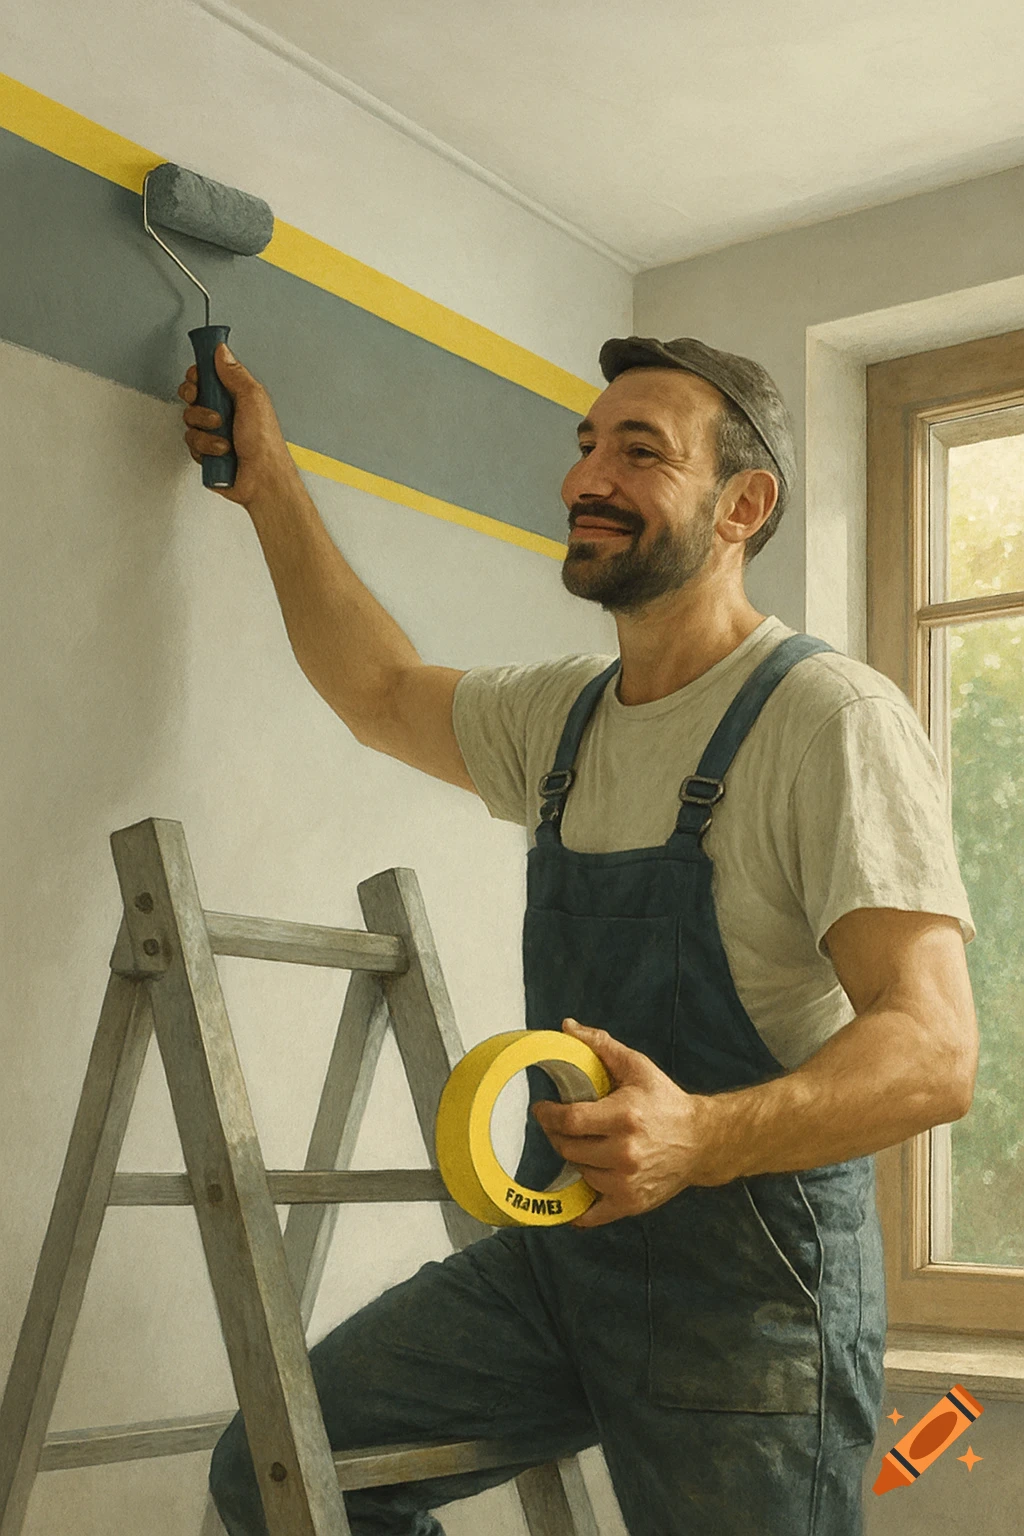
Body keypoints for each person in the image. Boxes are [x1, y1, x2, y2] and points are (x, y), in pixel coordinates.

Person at [182, 334, 978, 1536]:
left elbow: (932, 1050)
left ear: (742, 506)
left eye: (640, 452)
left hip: (747, 1300)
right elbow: (380, 691)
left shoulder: (830, 719)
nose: (585, 478)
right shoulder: (563, 718)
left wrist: (699, 1136)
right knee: (282, 1466)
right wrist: (270, 482)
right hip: (559, 1269)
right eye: (587, 444)